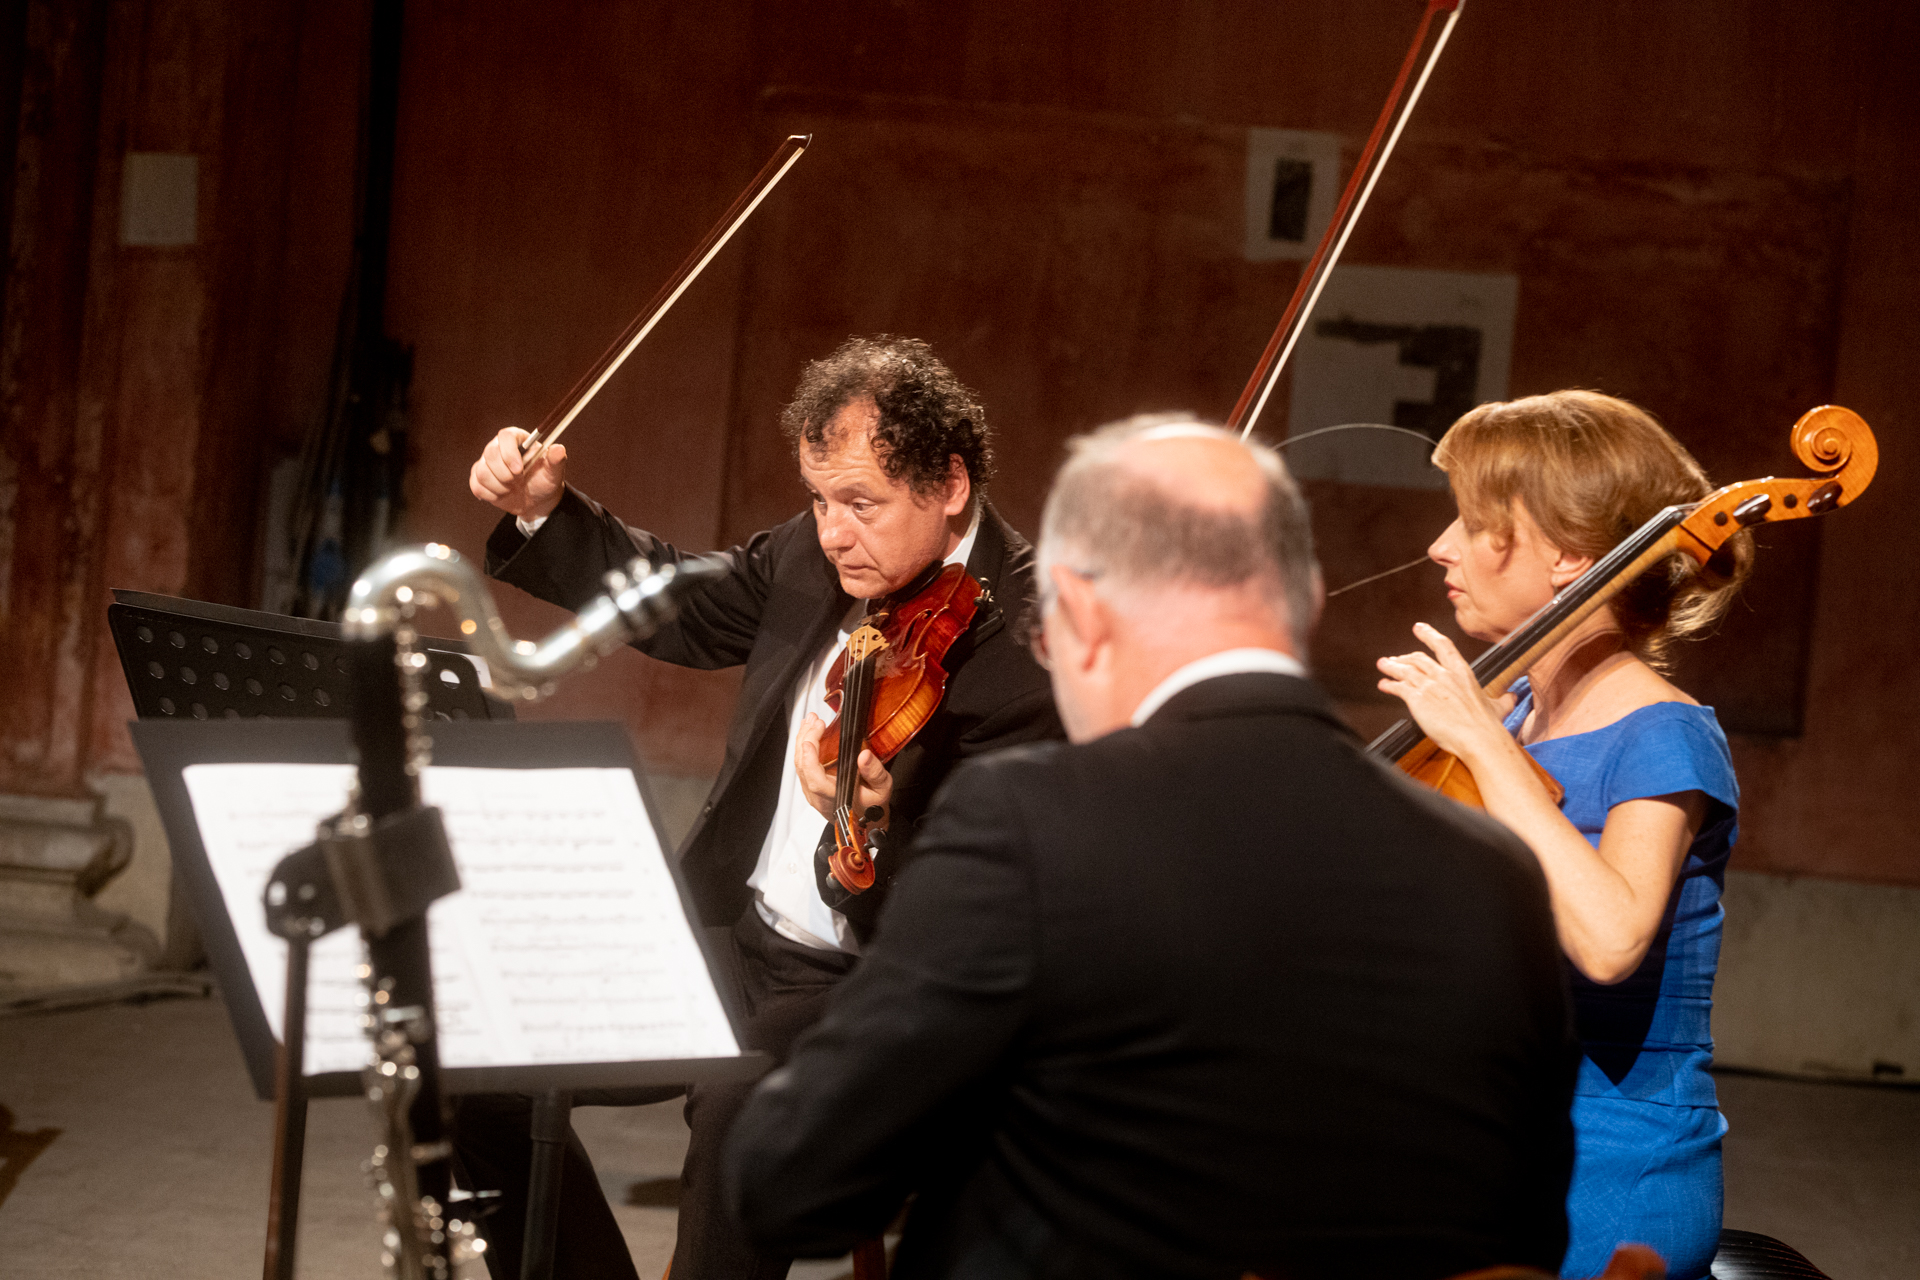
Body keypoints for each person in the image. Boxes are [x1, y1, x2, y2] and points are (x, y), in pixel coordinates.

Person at [726, 416, 1580, 1280]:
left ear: (1080, 611)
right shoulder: (1496, 872)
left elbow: (796, 1184)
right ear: (1312, 597)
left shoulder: (1029, 823)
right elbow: (1528, 1239)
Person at [461, 335, 1062, 1280]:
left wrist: (876, 829)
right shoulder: (821, 551)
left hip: (872, 986)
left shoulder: (1032, 646)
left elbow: (997, 904)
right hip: (736, 937)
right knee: (482, 1067)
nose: (832, 532)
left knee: (743, 1116)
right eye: (818, 500)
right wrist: (545, 512)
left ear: (949, 483)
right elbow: (685, 604)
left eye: (859, 503)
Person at [1374, 390, 1750, 1280]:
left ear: (1571, 556)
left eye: (1476, 525)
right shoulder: (1509, 715)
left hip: (1610, 1160)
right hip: (1486, 1127)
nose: (1441, 547)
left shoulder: (1664, 733)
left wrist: (1481, 745)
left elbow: (1610, 941)